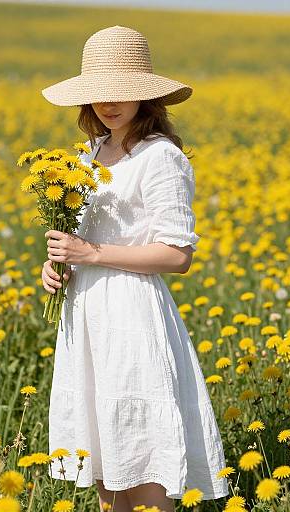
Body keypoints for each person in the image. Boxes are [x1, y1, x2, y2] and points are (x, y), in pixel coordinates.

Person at [40, 25, 229, 512]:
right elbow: (86, 237)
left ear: (146, 96)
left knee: (140, 446)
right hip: (85, 313)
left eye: (122, 90)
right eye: (100, 92)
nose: (110, 103)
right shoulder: (88, 155)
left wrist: (93, 255)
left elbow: (176, 255)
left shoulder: (161, 158)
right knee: (103, 457)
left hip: (131, 312)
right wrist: (58, 262)